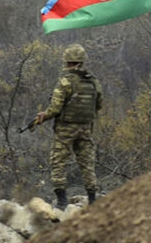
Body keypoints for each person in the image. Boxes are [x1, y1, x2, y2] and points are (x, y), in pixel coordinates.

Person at [35, 44, 103, 209]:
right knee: (87, 163)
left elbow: (55, 108)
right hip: (85, 128)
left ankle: (62, 202)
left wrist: (44, 116)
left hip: (66, 129)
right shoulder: (93, 82)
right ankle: (93, 200)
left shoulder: (65, 82)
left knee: (58, 162)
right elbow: (98, 104)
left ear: (67, 62)